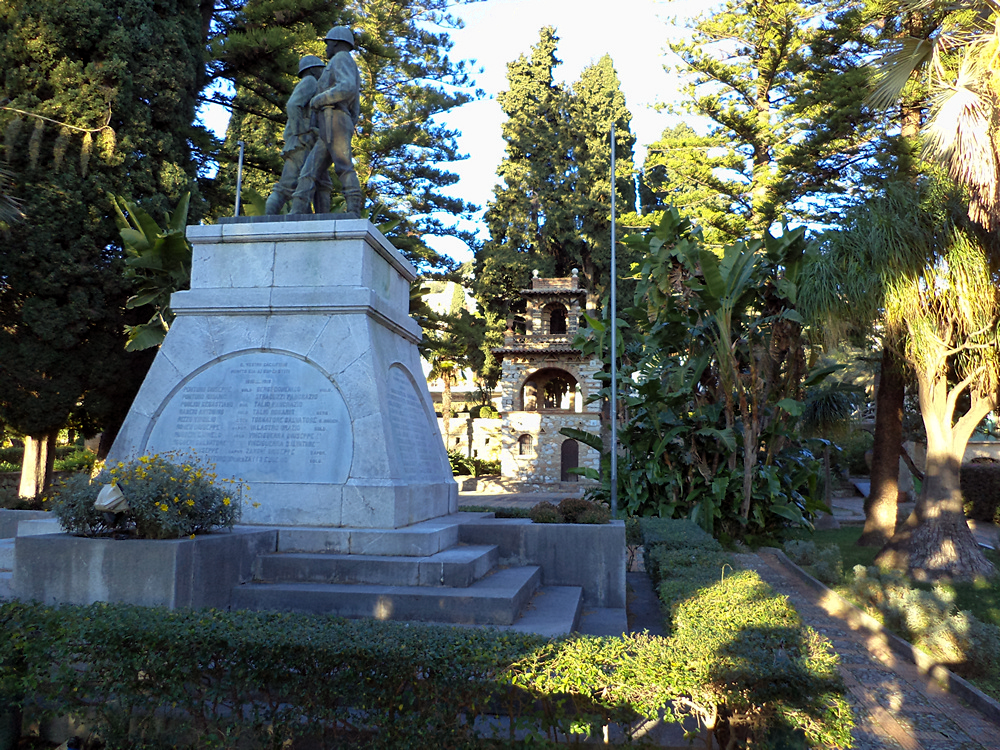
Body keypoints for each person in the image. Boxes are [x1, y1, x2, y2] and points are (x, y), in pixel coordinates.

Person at [290, 26, 363, 217]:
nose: (326, 47)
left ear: (337, 42)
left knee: (342, 164)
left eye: (328, 43)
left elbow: (346, 88)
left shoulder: (340, 59)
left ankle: (354, 210)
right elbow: (356, 106)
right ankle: (296, 211)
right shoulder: (347, 62)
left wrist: (319, 100)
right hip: (334, 119)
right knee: (310, 169)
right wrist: (347, 120)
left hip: (334, 117)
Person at [264, 55, 331, 215]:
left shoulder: (314, 84)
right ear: (313, 69)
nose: (323, 72)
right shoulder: (310, 82)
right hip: (302, 141)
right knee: (287, 186)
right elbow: (293, 105)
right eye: (321, 68)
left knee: (322, 183)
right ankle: (267, 221)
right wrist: (301, 132)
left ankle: (324, 220)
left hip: (312, 141)